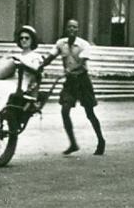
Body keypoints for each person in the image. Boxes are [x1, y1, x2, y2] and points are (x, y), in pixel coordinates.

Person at [41, 19, 105, 156]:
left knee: (90, 113)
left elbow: (82, 63)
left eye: (74, 27)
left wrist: (70, 70)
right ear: (66, 29)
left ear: (78, 30)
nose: (72, 29)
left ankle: (101, 140)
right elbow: (50, 57)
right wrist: (40, 66)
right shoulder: (60, 43)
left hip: (82, 81)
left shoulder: (84, 45)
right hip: (70, 82)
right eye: (69, 27)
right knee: (65, 111)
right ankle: (73, 143)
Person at [0, 25, 45, 120]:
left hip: (21, 85)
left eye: (27, 38)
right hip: (9, 81)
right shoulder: (16, 55)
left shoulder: (36, 56)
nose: (24, 40)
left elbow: (36, 68)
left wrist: (20, 60)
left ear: (32, 40)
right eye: (21, 38)